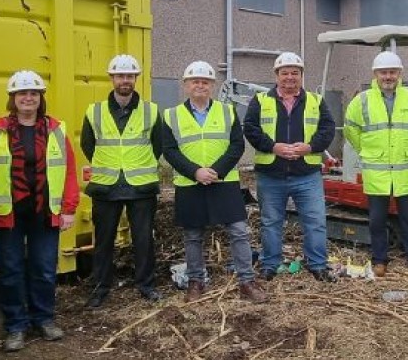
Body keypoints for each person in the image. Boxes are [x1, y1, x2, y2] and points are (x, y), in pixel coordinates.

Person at [0, 70, 79, 351]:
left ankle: (44, 318)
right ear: (12, 98)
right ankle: (15, 326)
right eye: (22, 94)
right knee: (11, 271)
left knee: (44, 269)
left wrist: (69, 208)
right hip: (8, 213)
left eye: (34, 93)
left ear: (41, 98)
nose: (28, 98)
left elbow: (70, 171)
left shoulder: (55, 129)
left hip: (44, 212)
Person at [162, 61, 268, 303]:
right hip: (190, 184)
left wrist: (217, 171)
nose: (200, 85)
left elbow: (237, 145)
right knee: (192, 236)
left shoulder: (227, 111)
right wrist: (195, 172)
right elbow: (169, 150)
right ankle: (196, 281)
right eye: (195, 81)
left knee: (239, 232)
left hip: (224, 183)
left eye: (205, 82)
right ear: (186, 85)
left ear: (212, 85)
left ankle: (246, 282)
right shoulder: (171, 115)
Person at [243, 52, 337, 282]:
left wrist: (310, 147)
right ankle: (269, 264)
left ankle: (318, 265)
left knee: (315, 222)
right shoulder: (260, 100)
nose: (290, 77)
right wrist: (273, 147)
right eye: (284, 73)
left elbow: (328, 129)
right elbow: (251, 129)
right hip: (271, 174)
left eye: (295, 73)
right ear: (276, 76)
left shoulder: (315, 101)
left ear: (301, 76)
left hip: (307, 174)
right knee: (270, 223)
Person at [82, 54, 162, 308]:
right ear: (112, 78)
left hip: (141, 186)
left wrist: (136, 164)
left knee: (143, 240)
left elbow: (157, 145)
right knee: (103, 241)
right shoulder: (94, 111)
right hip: (106, 186)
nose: (124, 80)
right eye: (120, 76)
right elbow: (88, 145)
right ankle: (101, 287)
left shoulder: (151, 111)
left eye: (129, 76)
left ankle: (146, 285)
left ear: (136, 78)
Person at [343, 51, 408, 278]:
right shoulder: (362, 100)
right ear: (375, 74)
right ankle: (380, 261)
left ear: (400, 73)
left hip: (404, 169)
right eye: (384, 72)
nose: (388, 76)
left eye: (392, 72)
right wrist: (365, 149)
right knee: (377, 221)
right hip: (377, 171)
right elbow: (350, 128)